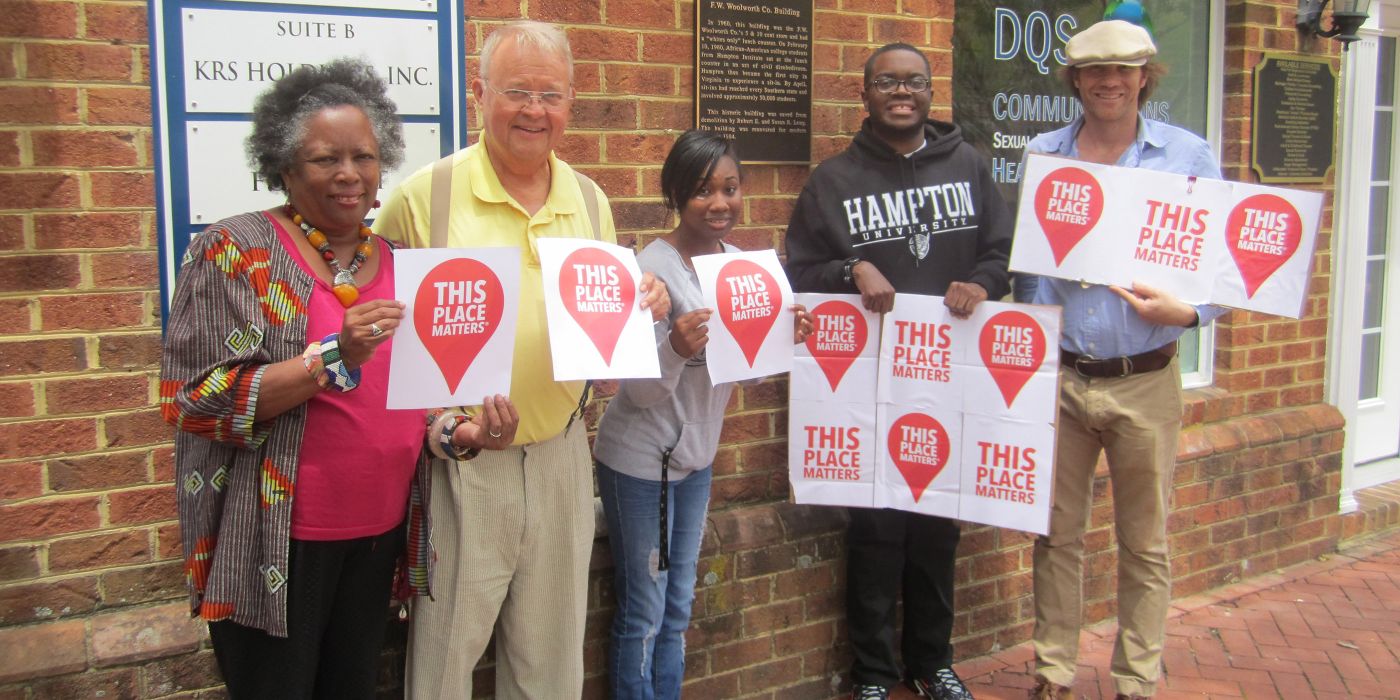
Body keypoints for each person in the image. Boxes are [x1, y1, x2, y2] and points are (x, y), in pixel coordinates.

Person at [159, 58, 518, 700]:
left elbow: (408, 409)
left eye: (365, 156)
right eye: (326, 159)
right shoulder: (236, 251)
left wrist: (464, 433)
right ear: (285, 167)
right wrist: (333, 356)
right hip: (279, 544)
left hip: (379, 536)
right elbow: (194, 400)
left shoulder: (402, 265)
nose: (349, 174)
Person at [373, 21, 669, 699]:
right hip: (465, 467)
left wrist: (638, 299)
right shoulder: (427, 196)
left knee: (551, 660)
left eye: (550, 94)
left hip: (562, 454)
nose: (534, 110)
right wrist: (446, 429)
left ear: (571, 102)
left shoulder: (590, 200)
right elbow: (378, 336)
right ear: (480, 93)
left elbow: (597, 315)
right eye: (516, 91)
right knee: (445, 659)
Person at [784, 42, 1012, 700]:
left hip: (946, 378)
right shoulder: (833, 181)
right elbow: (798, 271)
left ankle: (932, 662)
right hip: (865, 385)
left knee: (938, 526)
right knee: (876, 533)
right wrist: (849, 271)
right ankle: (876, 674)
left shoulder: (969, 167)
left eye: (913, 81)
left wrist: (982, 282)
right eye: (887, 81)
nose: (901, 91)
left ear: (931, 91)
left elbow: (1002, 252)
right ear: (865, 94)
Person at [1020, 20, 1226, 700]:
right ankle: (1053, 674)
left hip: (1146, 378)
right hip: (1063, 379)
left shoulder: (1187, 157)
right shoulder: (1045, 154)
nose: (1109, 82)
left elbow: (1224, 267)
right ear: (1075, 81)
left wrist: (1193, 315)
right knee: (1055, 537)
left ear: (1145, 77)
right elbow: (1030, 271)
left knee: (1145, 544)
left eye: (1123, 70)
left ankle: (1137, 680)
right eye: (1094, 72)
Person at [592, 129, 812, 699]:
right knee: (645, 608)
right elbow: (638, 393)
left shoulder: (741, 267)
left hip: (695, 461)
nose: (719, 203)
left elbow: (748, 370)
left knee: (679, 602)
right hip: (640, 463)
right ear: (675, 195)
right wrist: (677, 349)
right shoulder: (651, 270)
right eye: (701, 190)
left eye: (730, 188)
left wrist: (789, 338)